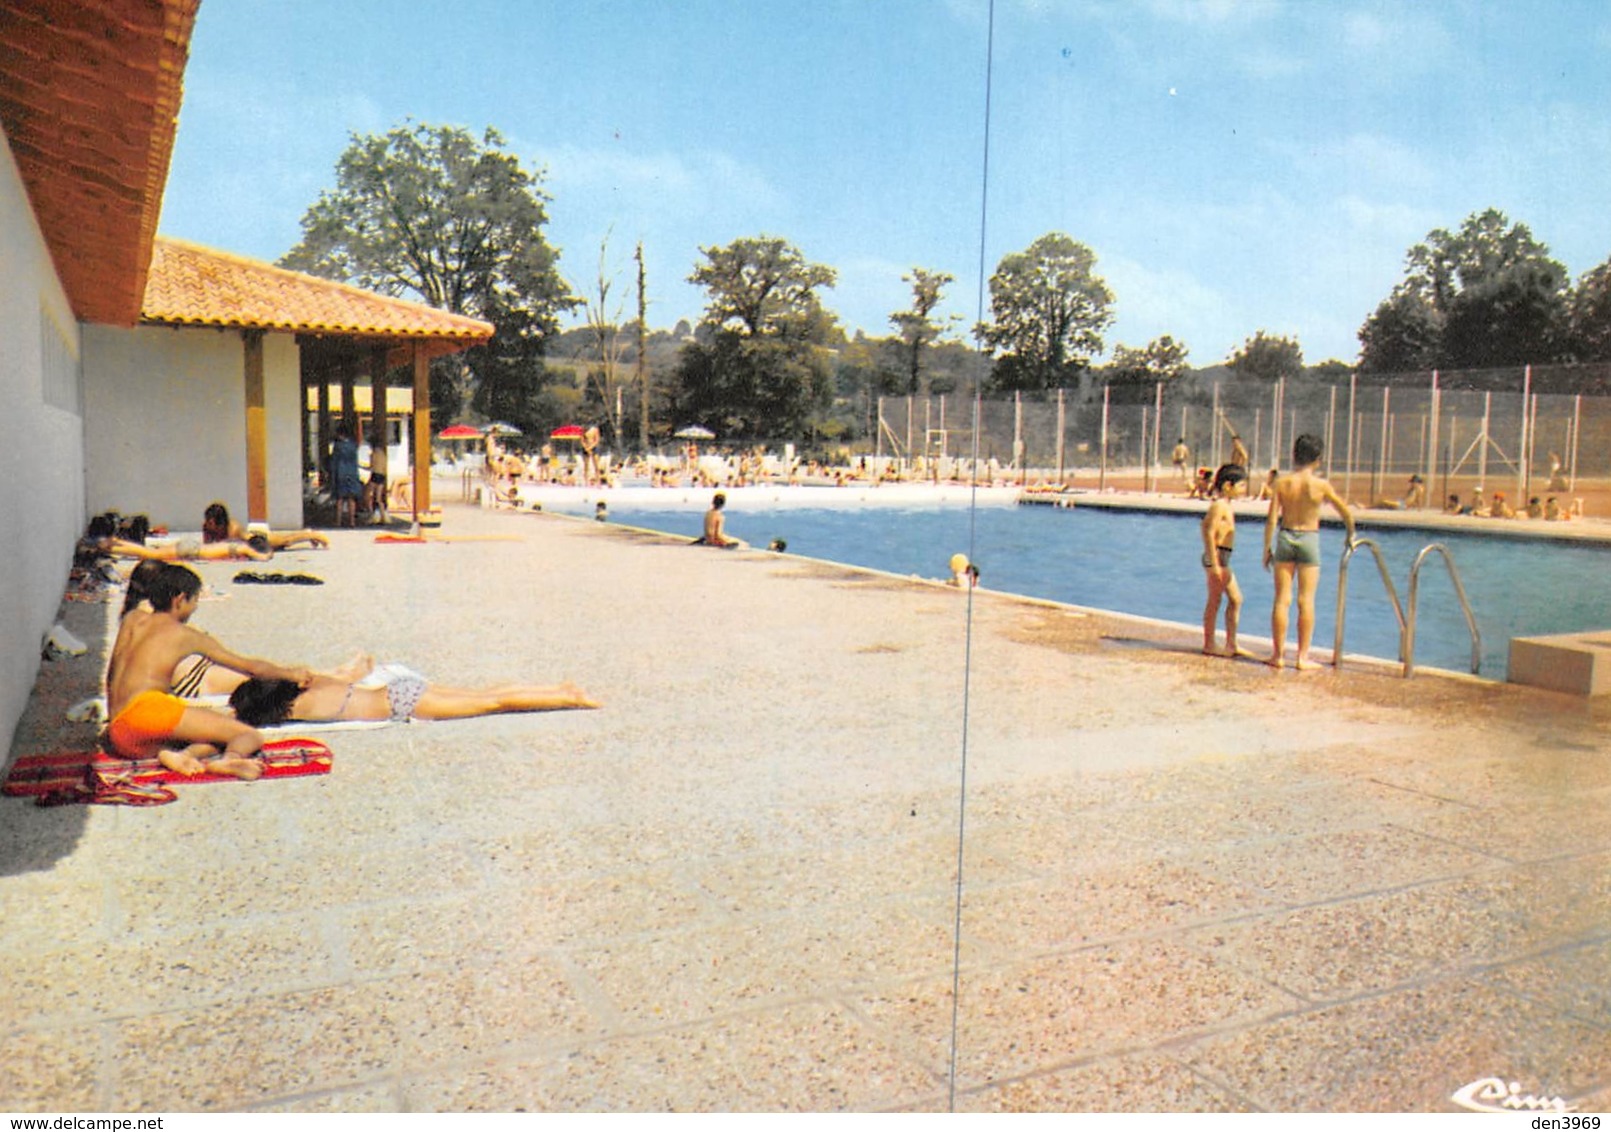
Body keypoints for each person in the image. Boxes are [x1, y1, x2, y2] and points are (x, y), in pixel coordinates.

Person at [104, 563, 311, 777]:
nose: (194, 608)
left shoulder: (132, 619)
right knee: (247, 735)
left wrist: (113, 725)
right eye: (194, 601)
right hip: (148, 714)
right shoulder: (185, 636)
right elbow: (251, 668)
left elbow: (112, 676)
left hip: (120, 733)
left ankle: (177, 754)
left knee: (209, 731)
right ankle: (230, 760)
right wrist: (291, 674)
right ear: (180, 599)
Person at [1263, 434, 1355, 671]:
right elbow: (1346, 512)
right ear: (1318, 459)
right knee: (1306, 600)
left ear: (1294, 455)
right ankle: (1302, 657)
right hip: (1309, 539)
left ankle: (1278, 655)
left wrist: (1267, 548)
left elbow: (1272, 518)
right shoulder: (1321, 485)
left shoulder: (1282, 483)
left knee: (1282, 599)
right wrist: (1350, 535)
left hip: (1285, 536)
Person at [229, 667, 598, 726]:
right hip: (398, 689)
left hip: (403, 703)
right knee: (486, 694)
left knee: (492, 704)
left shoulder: (298, 711)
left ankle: (570, 700)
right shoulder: (308, 686)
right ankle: (559, 690)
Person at [1201, 464, 1247, 657]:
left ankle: (1231, 643)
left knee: (1236, 599)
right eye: (1241, 486)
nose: (1244, 490)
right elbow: (1208, 531)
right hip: (1217, 557)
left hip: (1223, 558)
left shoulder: (1226, 504)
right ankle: (1209, 643)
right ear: (1228, 486)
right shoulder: (1219, 505)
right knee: (1215, 601)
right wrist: (1214, 564)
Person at [202, 502, 329, 550]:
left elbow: (251, 541)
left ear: (220, 522)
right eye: (208, 521)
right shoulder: (206, 526)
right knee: (284, 543)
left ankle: (314, 534)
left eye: (211, 522)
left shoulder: (234, 529)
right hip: (248, 543)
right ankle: (307, 533)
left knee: (286, 541)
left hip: (256, 538)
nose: (208, 524)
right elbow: (208, 546)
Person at [331, 426, 362, 528]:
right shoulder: (353, 446)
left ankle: (338, 521)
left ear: (340, 434)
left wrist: (332, 474)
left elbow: (334, 461)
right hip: (352, 473)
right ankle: (352, 521)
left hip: (341, 473)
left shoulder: (338, 446)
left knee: (340, 498)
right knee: (351, 498)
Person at [363, 431, 389, 525]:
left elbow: (371, 467)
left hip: (375, 475)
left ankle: (371, 515)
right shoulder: (382, 453)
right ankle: (383, 517)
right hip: (382, 476)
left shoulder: (373, 454)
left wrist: (361, 466)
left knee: (366, 495)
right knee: (379, 499)